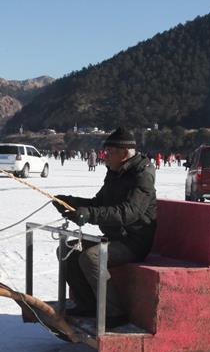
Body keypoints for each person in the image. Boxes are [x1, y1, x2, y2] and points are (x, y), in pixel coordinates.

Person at [53, 127, 157, 327]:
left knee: (91, 257)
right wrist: (71, 202)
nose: (105, 156)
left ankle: (115, 313)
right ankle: (87, 304)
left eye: (109, 152)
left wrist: (89, 214)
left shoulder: (142, 175)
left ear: (124, 154)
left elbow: (130, 212)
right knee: (67, 250)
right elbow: (98, 203)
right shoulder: (115, 173)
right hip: (115, 237)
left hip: (134, 242)